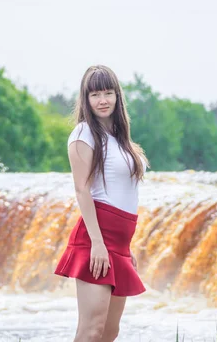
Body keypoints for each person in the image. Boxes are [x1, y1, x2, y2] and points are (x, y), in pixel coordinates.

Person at [54, 65, 150, 342]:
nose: (103, 100)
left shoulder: (121, 140)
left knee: (110, 332)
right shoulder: (83, 134)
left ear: (118, 96)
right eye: (95, 94)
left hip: (119, 243)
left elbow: (125, 192)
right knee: (91, 329)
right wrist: (98, 243)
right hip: (96, 238)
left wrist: (125, 246)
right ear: (86, 99)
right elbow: (82, 189)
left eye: (108, 93)